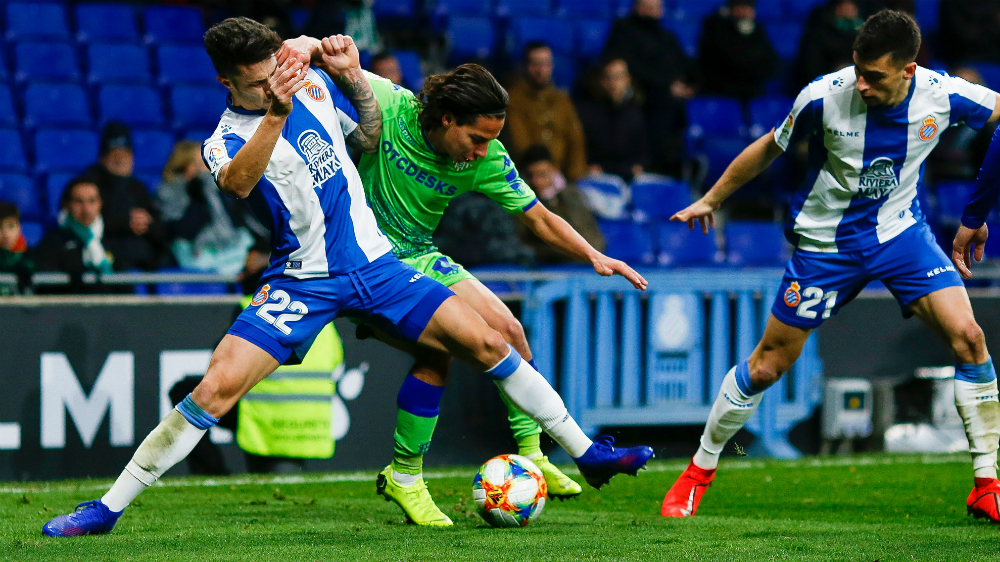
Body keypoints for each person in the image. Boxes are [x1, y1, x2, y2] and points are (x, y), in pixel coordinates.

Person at [42, 19, 653, 537]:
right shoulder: (223, 140)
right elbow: (238, 183)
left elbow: (365, 135)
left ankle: (586, 450)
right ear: (228, 83)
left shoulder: (304, 84)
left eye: (275, 71)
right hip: (300, 281)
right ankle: (105, 509)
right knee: (214, 390)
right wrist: (275, 114)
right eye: (258, 82)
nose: (273, 85)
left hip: (376, 263)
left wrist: (351, 79)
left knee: (492, 339)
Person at [278, 35, 650, 524]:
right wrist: (308, 45)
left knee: (510, 331)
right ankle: (407, 475)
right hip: (364, 259)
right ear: (447, 118)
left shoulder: (487, 159)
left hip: (420, 257)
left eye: (492, 140)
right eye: (477, 138)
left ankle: (532, 457)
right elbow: (320, 64)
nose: (483, 151)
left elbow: (537, 216)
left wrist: (592, 255)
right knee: (440, 350)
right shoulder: (389, 104)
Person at [666, 10, 1000, 522]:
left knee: (970, 338)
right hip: (826, 244)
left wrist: (975, 215)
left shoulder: (943, 94)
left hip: (900, 233)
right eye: (857, 71)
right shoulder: (823, 96)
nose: (860, 84)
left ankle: (986, 484)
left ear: (909, 71)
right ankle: (697, 472)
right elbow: (770, 147)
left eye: (875, 76)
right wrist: (713, 198)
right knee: (767, 365)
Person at [603, 0, 696, 176]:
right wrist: (667, 85)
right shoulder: (623, 29)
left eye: (656, 7)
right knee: (663, 104)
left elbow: (685, 65)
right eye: (647, 6)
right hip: (643, 96)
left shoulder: (666, 36)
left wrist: (689, 85)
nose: (652, 11)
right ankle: (654, 169)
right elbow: (626, 65)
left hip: (668, 99)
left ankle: (677, 170)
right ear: (636, 7)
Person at [158, 140, 265, 274]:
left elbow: (236, 223)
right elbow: (181, 232)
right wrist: (201, 192)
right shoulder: (170, 192)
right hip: (193, 257)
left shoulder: (213, 191)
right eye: (205, 162)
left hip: (225, 251)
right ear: (189, 167)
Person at [84, 122, 168, 271]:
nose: (120, 160)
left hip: (142, 260)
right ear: (102, 158)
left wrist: (147, 224)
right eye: (114, 155)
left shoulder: (138, 188)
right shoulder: (89, 185)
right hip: (108, 259)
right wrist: (125, 222)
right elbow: (84, 222)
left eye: (126, 155)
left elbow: (160, 229)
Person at [504, 42, 588, 181]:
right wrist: (541, 174)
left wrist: (574, 177)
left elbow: (576, 141)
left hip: (563, 178)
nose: (541, 70)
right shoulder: (512, 101)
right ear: (523, 66)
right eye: (535, 64)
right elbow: (519, 144)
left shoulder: (562, 100)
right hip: (529, 177)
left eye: (546, 64)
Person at [516, 144, 605, 264]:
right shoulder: (519, 203)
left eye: (542, 174)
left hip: (582, 267)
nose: (537, 182)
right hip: (545, 268)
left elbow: (593, 240)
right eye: (530, 176)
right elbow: (523, 245)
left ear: (554, 171)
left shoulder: (573, 196)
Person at [576, 58, 649, 181]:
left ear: (627, 79)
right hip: (599, 178)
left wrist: (639, 166)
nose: (613, 83)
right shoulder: (587, 112)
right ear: (601, 80)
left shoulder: (637, 112)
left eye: (618, 77)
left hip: (631, 177)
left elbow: (644, 154)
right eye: (609, 77)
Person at [35, 177, 114, 283]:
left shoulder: (113, 237)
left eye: (92, 201)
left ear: (100, 204)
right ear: (66, 205)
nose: (86, 209)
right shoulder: (52, 242)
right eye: (79, 202)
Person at [698, 0, 779, 100]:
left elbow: (772, 64)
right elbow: (727, 60)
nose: (745, 13)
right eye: (742, 7)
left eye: (749, 8)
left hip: (753, 92)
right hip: (721, 93)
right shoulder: (714, 26)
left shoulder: (757, 30)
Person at [794, 0, 864, 89]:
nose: (848, 8)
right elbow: (810, 66)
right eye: (843, 5)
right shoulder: (818, 23)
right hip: (825, 86)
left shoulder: (869, 18)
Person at [0, 201, 33, 294]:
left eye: (11, 226)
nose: (6, 234)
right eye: (0, 227)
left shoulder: (32, 258)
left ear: (19, 227)